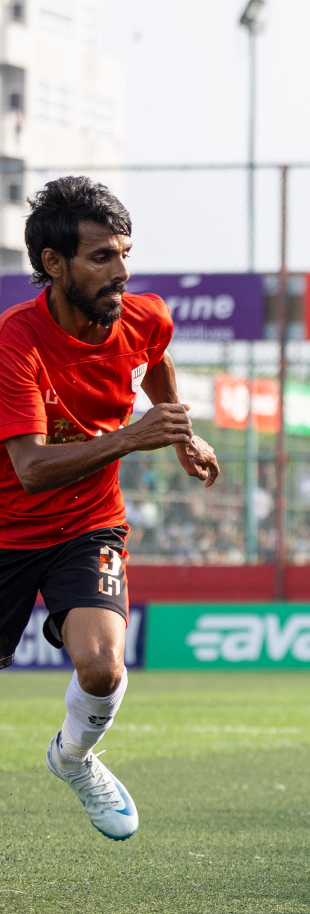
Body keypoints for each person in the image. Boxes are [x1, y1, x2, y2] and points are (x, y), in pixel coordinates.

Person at [0, 176, 220, 840]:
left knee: (102, 667)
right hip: (7, 529)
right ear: (52, 265)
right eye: (102, 258)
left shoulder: (143, 315)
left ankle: (74, 758)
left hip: (87, 523)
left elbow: (154, 359)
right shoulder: (16, 344)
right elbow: (31, 470)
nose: (121, 271)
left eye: (126, 253)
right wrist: (132, 437)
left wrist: (181, 433)